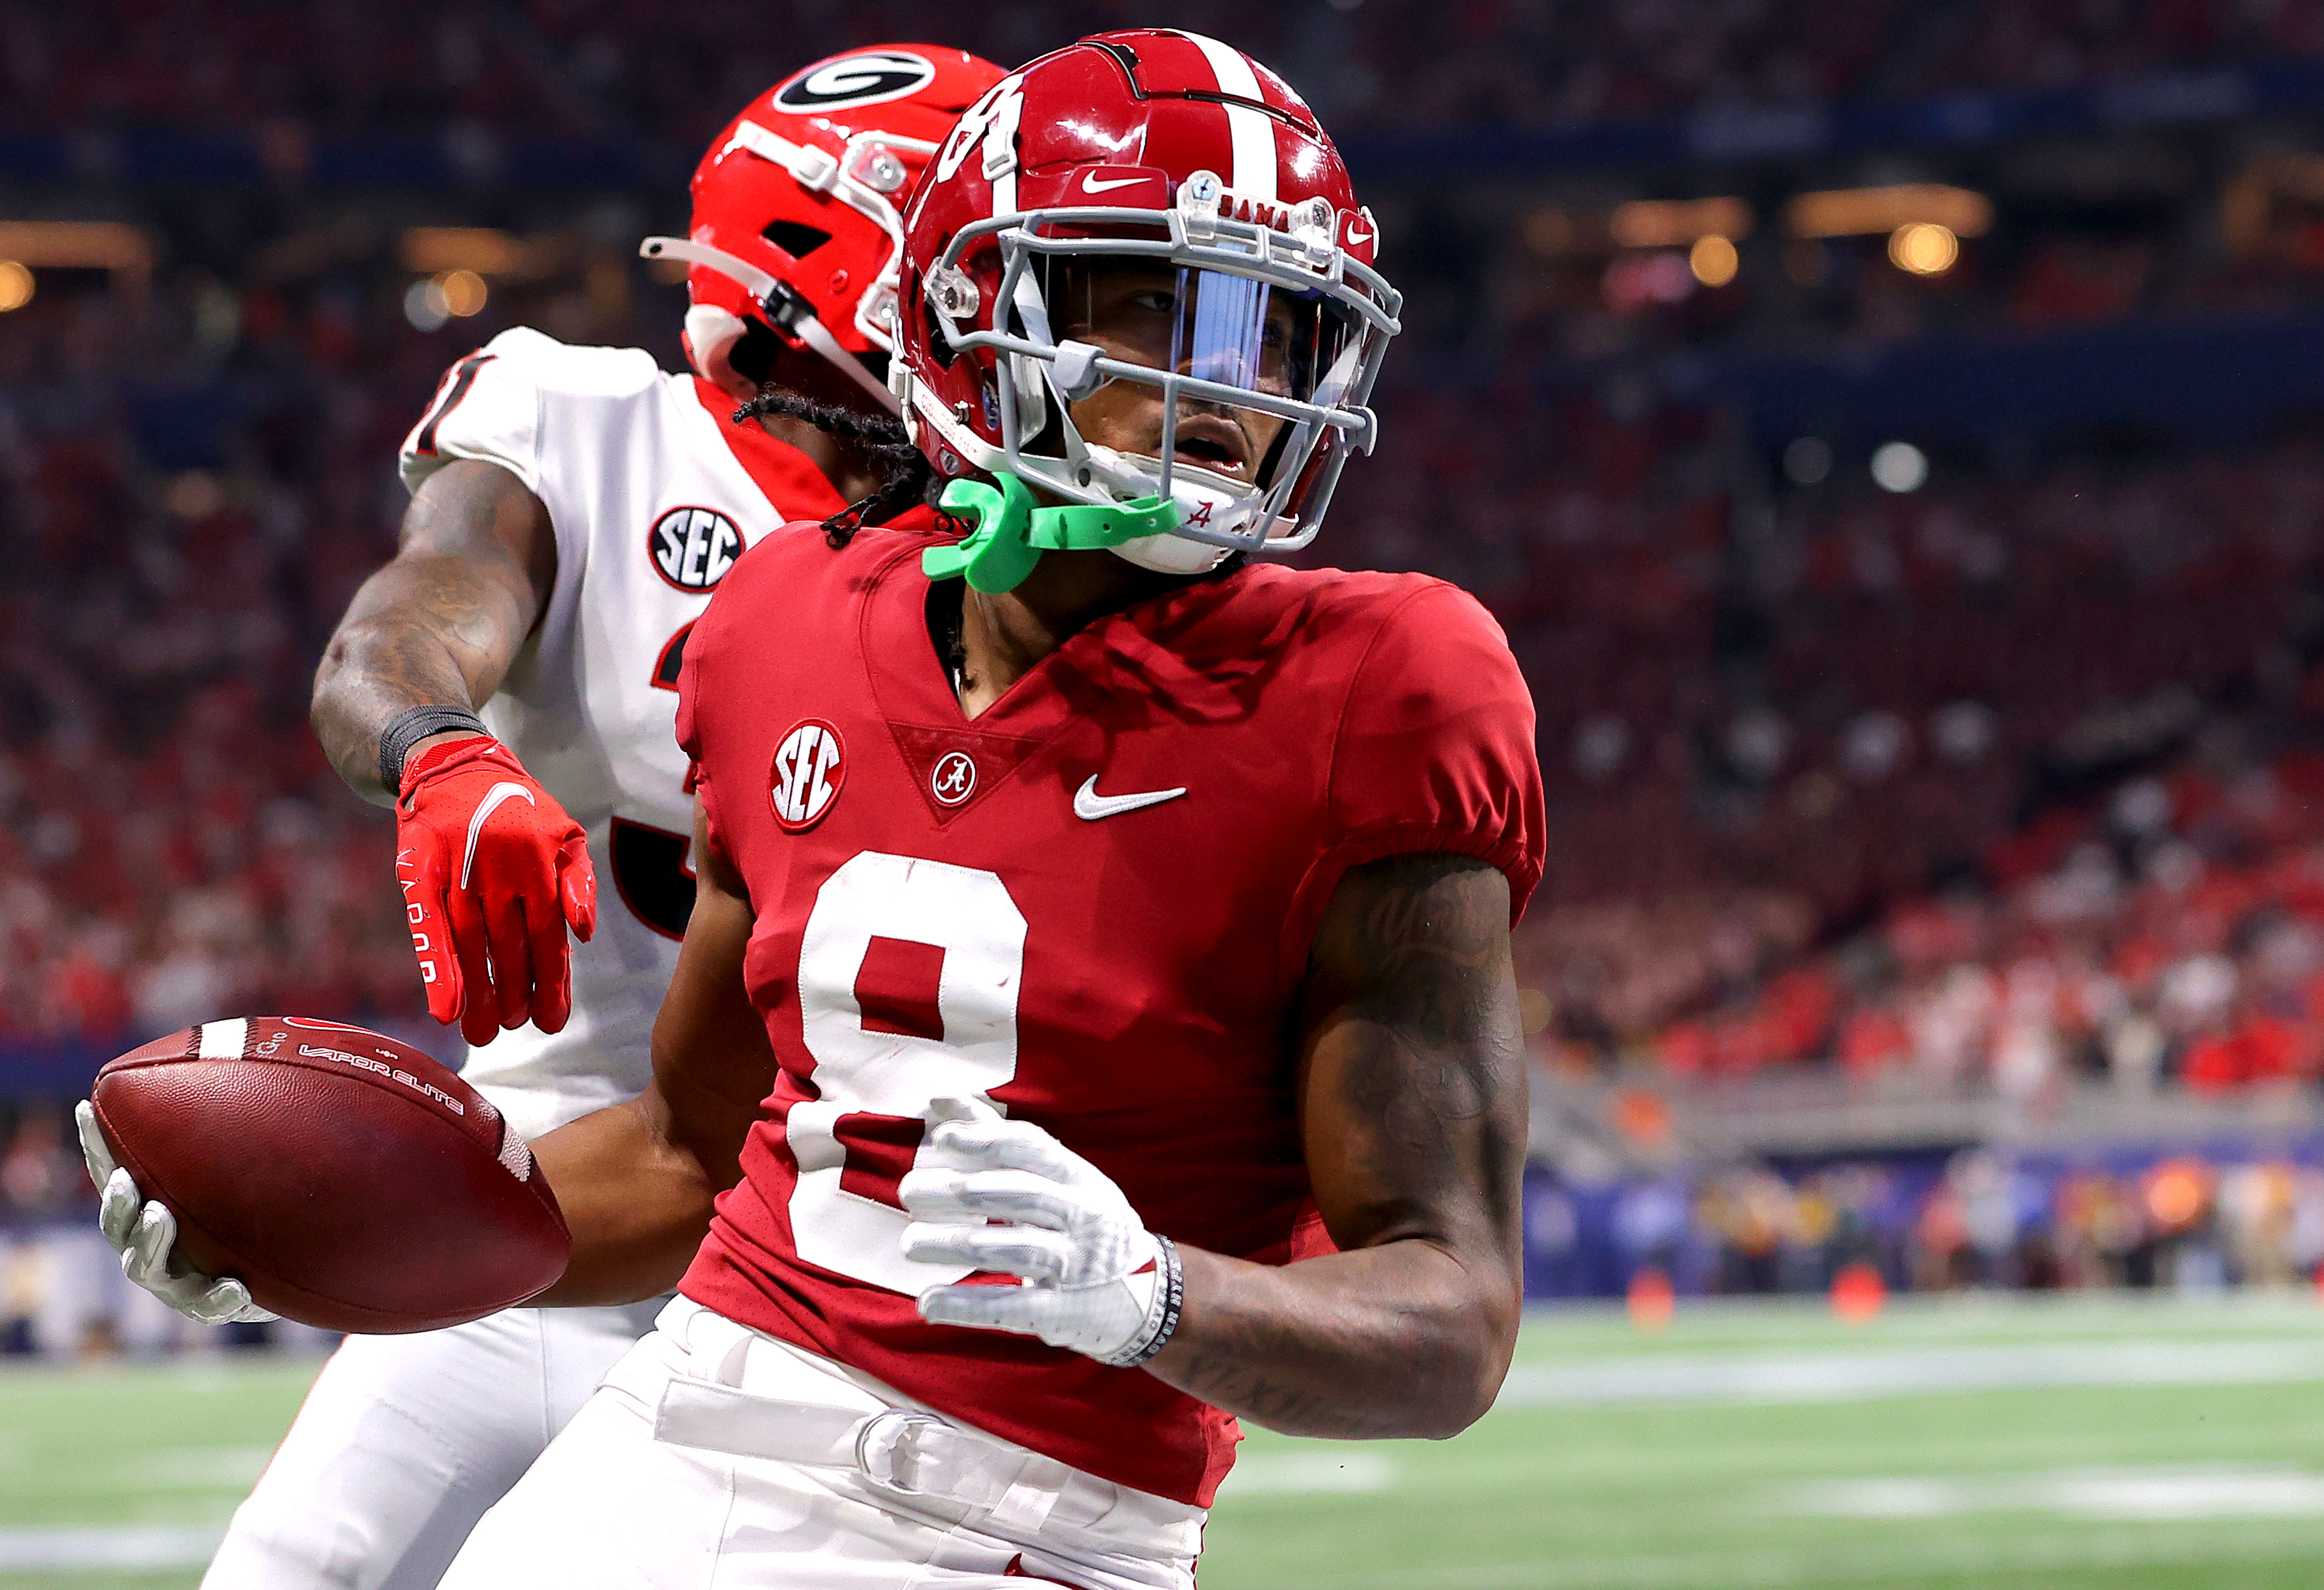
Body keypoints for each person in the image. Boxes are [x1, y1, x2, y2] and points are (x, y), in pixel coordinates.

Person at [436, 31, 1545, 1589]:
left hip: (1028, 1520)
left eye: (1268, 327)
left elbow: (1449, 1318)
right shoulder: (782, 625)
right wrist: (324, 1229)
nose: (1223, 382)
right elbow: (688, 1156)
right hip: (675, 1426)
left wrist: (1152, 1293)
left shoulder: (1382, 683)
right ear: (968, 317)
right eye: (1154, 300)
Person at [73, 44, 1007, 1590]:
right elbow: (399, 634)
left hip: (847, 1271)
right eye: (990, 265)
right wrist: (441, 749)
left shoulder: (1033, 551)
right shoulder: (585, 422)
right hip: (537, 1203)